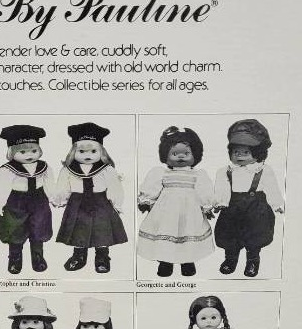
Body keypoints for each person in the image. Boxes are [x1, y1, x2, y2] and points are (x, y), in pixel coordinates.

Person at [137, 125, 214, 277]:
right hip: (166, 213)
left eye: (186, 153)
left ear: (195, 154)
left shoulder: (198, 175)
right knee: (166, 232)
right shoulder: (161, 173)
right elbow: (152, 188)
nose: (180, 157)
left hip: (189, 212)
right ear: (165, 155)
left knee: (188, 232)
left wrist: (207, 206)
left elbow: (204, 191)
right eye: (174, 153)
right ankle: (166, 262)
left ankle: (187, 262)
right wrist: (147, 200)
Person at [214, 119, 284, 278]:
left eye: (245, 152)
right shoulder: (225, 171)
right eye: (236, 152)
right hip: (232, 209)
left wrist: (277, 204)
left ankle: (252, 261)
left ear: (258, 153)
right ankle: (230, 260)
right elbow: (221, 188)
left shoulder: (263, 170)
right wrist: (220, 202)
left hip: (256, 210)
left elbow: (272, 187)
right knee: (230, 237)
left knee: (254, 237)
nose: (239, 156)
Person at [54, 122, 127, 274]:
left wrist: (116, 203)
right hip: (77, 204)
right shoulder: (68, 170)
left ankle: (102, 257)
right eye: (81, 151)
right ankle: (79, 256)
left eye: (93, 151)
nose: (88, 155)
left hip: (101, 203)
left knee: (101, 230)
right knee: (79, 229)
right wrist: (60, 199)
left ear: (102, 152)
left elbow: (114, 187)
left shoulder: (106, 169)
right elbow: (62, 186)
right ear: (73, 152)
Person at [0, 125, 56, 274]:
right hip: (16, 202)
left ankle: (37, 256)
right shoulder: (7, 169)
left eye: (34, 151)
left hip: (39, 200)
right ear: (12, 152)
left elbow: (49, 183)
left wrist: (53, 197)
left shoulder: (43, 167)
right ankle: (15, 257)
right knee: (15, 229)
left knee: (39, 227)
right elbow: (1, 187)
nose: (29, 155)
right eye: (23, 152)